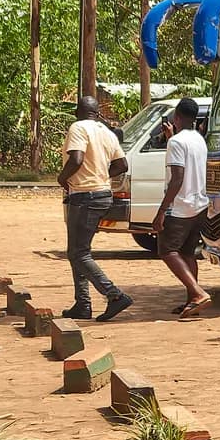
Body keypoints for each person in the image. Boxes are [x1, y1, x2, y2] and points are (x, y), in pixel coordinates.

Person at [58, 96, 134, 322]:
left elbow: (77, 159)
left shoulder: (78, 127)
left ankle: (114, 295)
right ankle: (83, 304)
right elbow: (122, 165)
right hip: (102, 194)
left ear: (77, 112)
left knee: (78, 253)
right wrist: (102, 176)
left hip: (85, 195)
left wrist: (62, 178)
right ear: (97, 112)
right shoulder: (107, 133)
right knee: (79, 251)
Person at [152, 97, 213, 317]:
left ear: (176, 117)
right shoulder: (198, 139)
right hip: (199, 204)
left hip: (181, 208)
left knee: (167, 250)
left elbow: (177, 178)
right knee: (188, 253)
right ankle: (192, 301)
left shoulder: (176, 143)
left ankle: (197, 293)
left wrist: (161, 211)